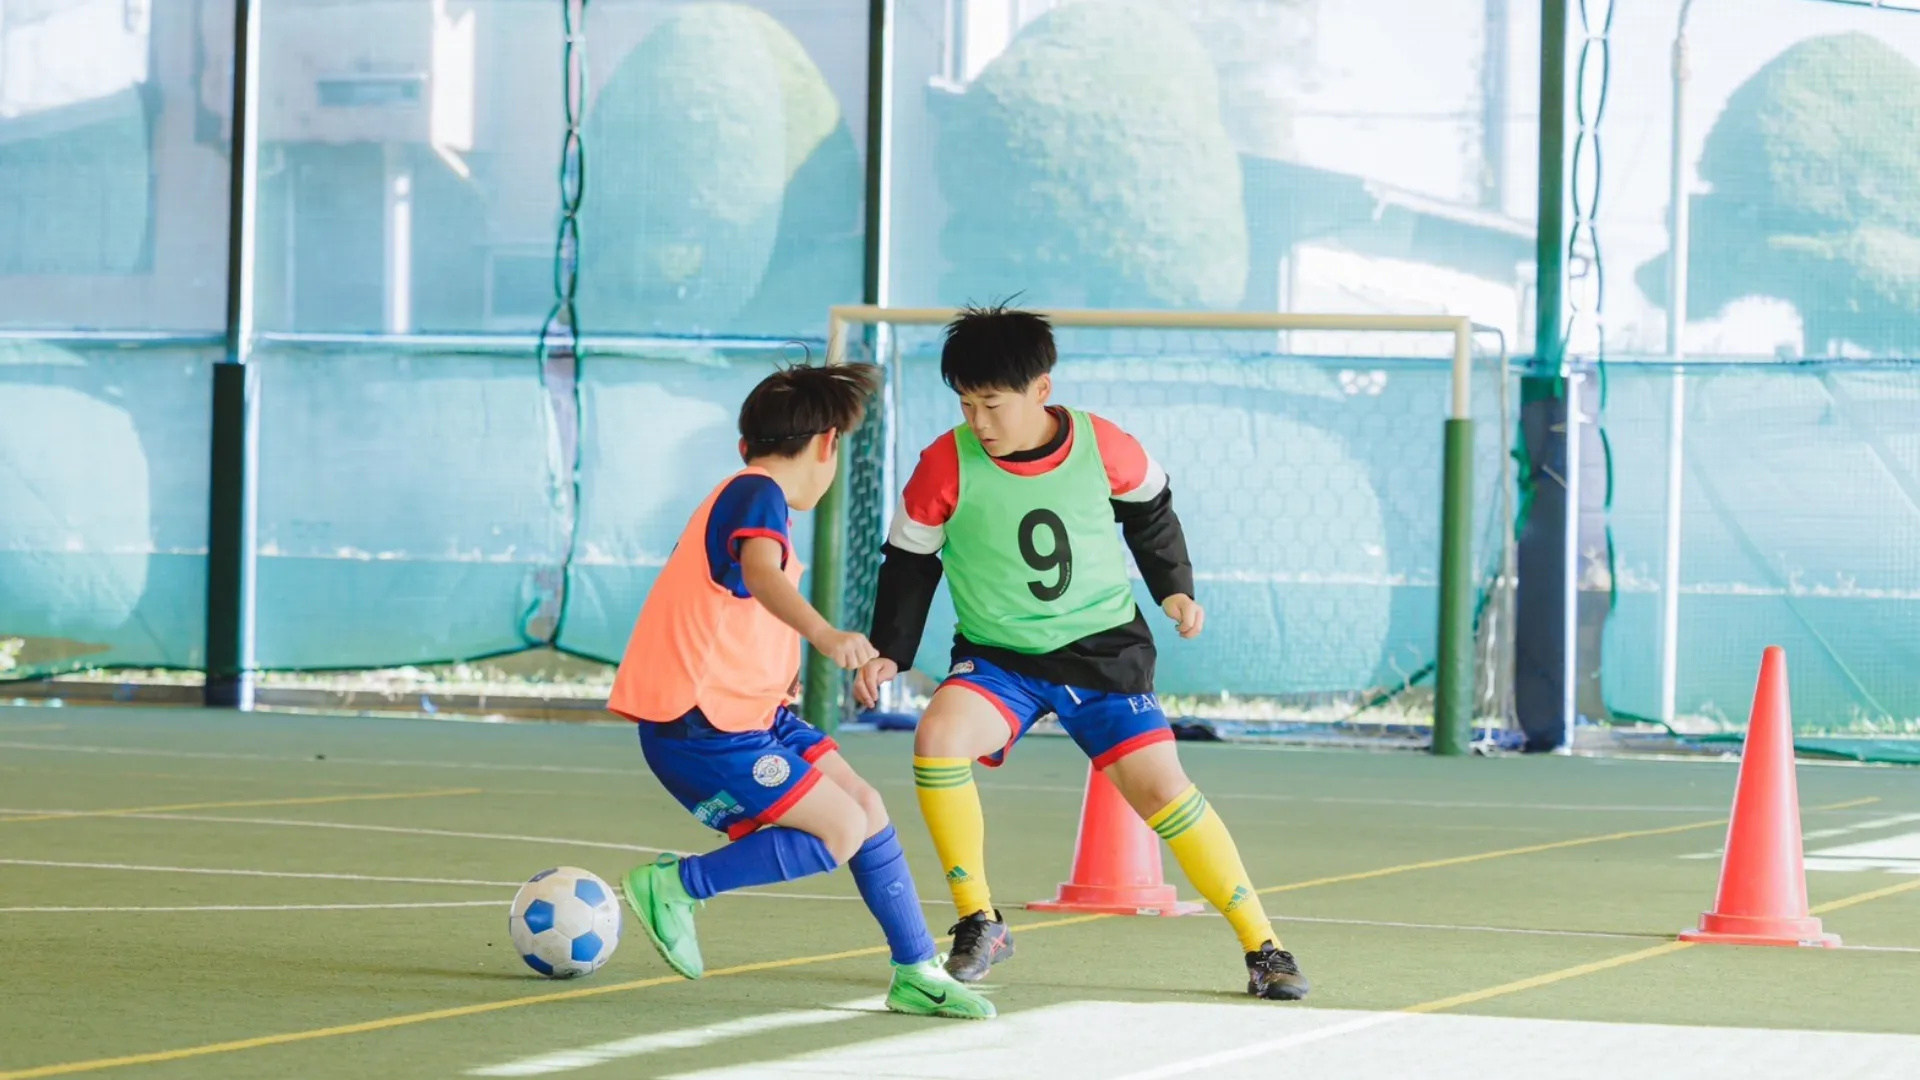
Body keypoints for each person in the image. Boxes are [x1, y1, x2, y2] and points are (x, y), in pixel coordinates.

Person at [853, 306, 1310, 1001]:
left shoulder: (1105, 445)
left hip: (1104, 655)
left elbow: (1152, 510)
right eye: (967, 404)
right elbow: (910, 561)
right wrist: (890, 650)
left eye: (993, 404)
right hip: (999, 659)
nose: (978, 421)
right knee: (938, 736)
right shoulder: (945, 464)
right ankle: (980, 921)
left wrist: (1174, 591)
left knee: (1164, 791)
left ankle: (1264, 946)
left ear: (1041, 389)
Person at [609, 362, 994, 1020]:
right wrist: (824, 634)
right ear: (828, 444)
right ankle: (676, 884)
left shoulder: (745, 492)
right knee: (839, 829)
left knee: (865, 810)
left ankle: (915, 970)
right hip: (701, 727)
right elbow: (761, 574)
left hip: (752, 717)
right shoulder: (757, 493)